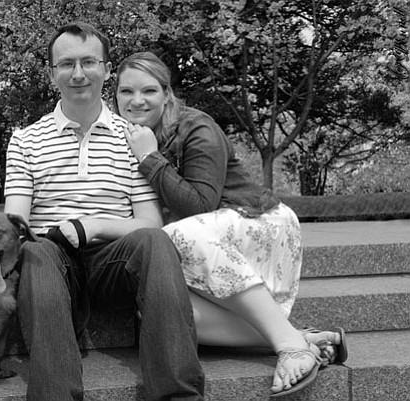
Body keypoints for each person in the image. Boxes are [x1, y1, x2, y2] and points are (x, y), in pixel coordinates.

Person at [113, 51, 348, 397]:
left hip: (256, 225)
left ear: (167, 93)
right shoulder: (127, 135)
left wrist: (150, 158)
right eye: (125, 92)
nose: (136, 101)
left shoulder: (196, 127)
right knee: (161, 307)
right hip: (203, 246)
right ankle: (301, 338)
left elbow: (199, 205)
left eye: (148, 91)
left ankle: (289, 346)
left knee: (174, 234)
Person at [4, 24, 205, 401]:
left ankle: (179, 396)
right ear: (52, 74)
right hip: (50, 260)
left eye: (88, 62)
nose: (78, 74)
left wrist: (93, 226)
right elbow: (17, 225)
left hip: (112, 262)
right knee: (33, 249)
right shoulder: (25, 140)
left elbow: (149, 222)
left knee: (154, 241)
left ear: (107, 69)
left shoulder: (133, 136)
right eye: (66, 64)